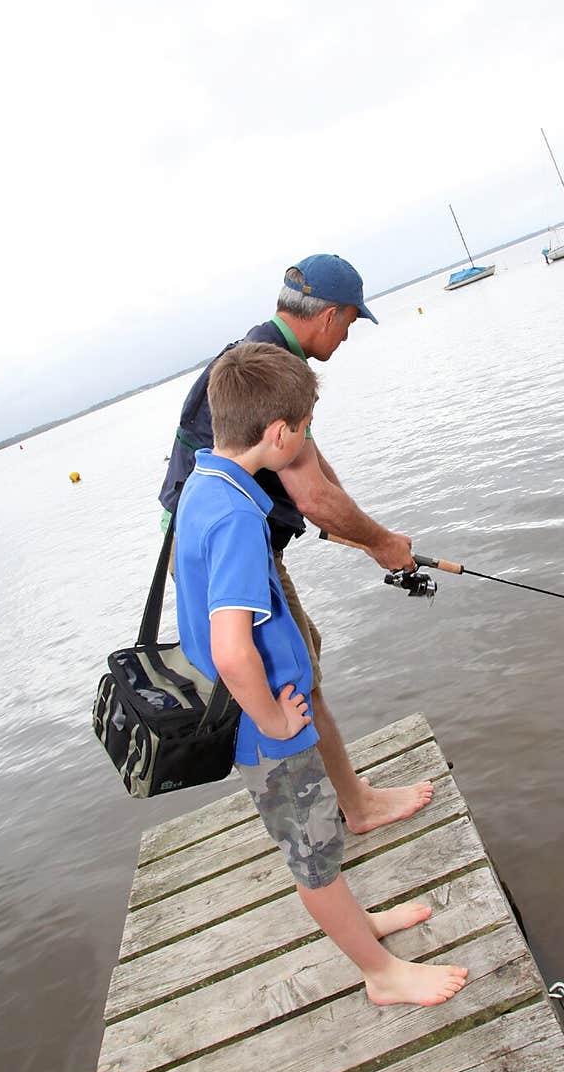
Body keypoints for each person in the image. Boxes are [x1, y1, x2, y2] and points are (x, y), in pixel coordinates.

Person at [175, 341, 467, 1006]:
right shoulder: (237, 520)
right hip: (267, 726)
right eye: (303, 429)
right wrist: (275, 718)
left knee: (322, 844)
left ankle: (359, 927)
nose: (306, 438)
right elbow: (229, 648)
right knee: (315, 859)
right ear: (278, 435)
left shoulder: (206, 483)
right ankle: (380, 973)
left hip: (267, 712)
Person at [160, 253, 433, 835]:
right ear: (330, 316)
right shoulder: (274, 368)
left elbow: (311, 467)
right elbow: (309, 496)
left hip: (203, 549)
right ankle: (343, 811)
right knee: (293, 673)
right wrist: (384, 544)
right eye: (353, 322)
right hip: (234, 553)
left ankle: (335, 799)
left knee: (298, 661)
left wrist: (363, 535)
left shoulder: (256, 357)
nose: (350, 333)